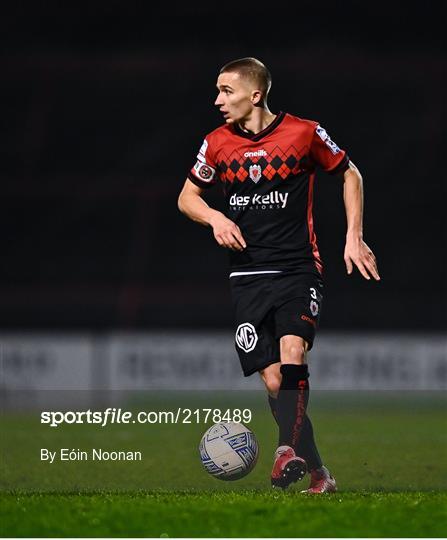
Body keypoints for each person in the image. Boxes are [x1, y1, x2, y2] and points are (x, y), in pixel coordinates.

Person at [178, 57, 380, 492]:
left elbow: (350, 174)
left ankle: (284, 451)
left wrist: (353, 237)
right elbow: (187, 197)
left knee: (293, 351)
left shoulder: (303, 133)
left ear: (255, 94)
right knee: (274, 382)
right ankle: (320, 474)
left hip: (296, 267)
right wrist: (214, 218)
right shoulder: (216, 143)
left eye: (225, 91)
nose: (217, 100)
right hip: (246, 277)